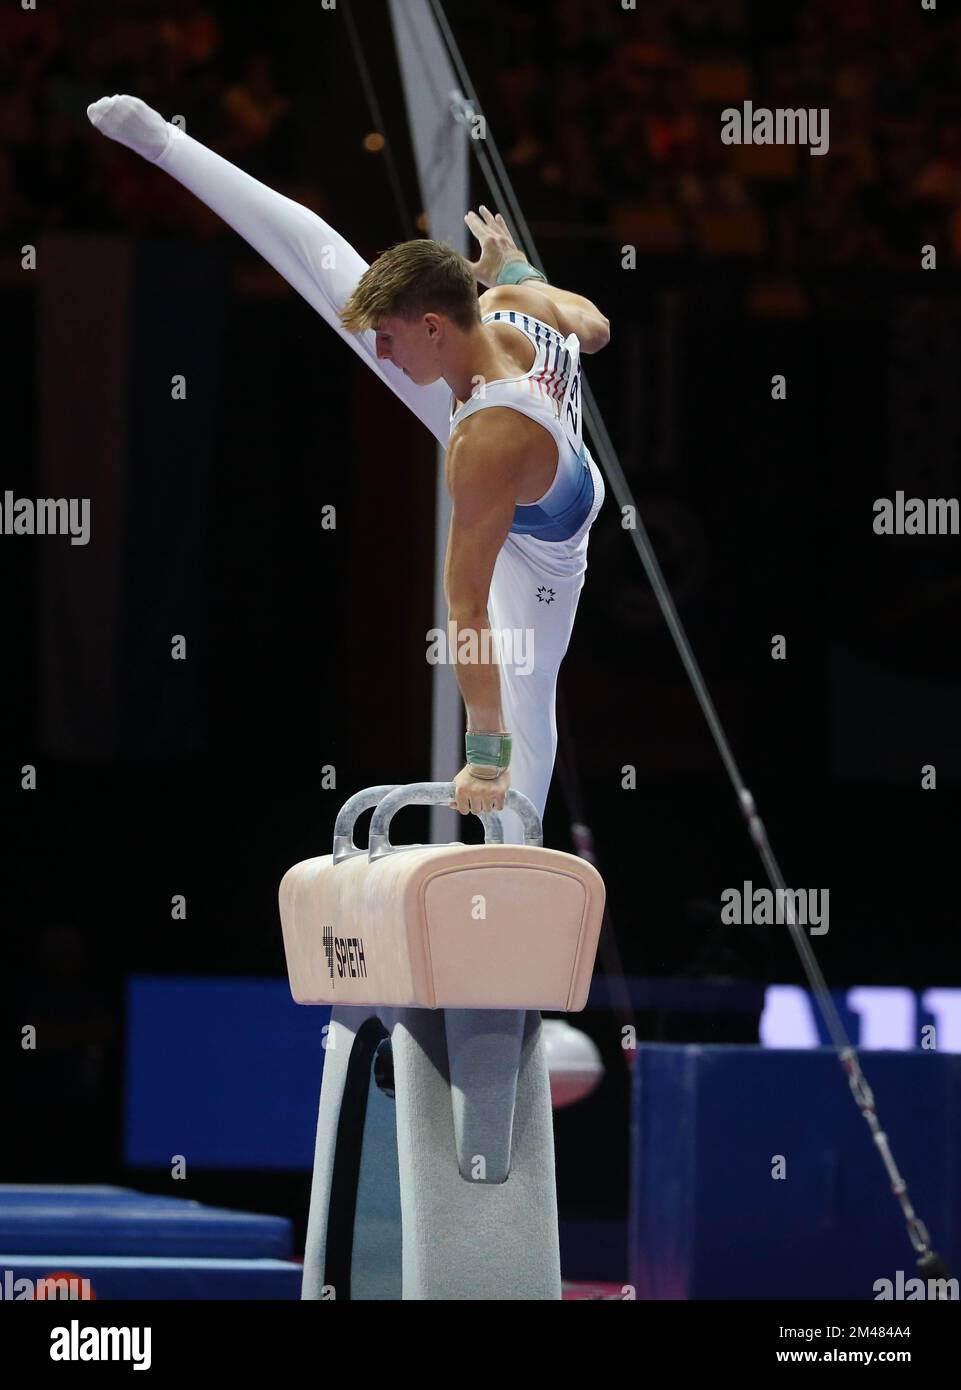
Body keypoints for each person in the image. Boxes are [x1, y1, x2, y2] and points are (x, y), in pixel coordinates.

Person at [86, 95, 610, 840]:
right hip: (515, 409)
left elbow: (465, 614)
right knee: (332, 266)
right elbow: (593, 329)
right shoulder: (502, 302)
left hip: (542, 540)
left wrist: (484, 756)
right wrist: (524, 273)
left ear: (433, 326)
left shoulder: (480, 445)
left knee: (527, 699)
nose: (379, 357)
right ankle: (167, 146)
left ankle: (512, 865)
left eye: (390, 340)